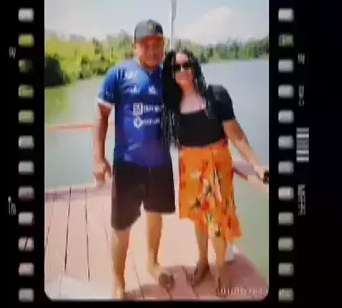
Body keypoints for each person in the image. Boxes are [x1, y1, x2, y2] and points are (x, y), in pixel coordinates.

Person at [160, 49, 269, 296]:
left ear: (195, 66)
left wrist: (255, 164)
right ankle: (202, 261)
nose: (182, 71)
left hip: (216, 164)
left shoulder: (215, 95)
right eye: (176, 68)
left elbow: (235, 134)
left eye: (186, 65)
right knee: (199, 218)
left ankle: (221, 267)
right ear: (170, 74)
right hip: (190, 166)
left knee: (217, 220)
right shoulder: (171, 105)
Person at [93, 19, 176, 300]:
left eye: (157, 44)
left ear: (164, 46)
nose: (152, 50)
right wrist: (98, 158)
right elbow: (101, 116)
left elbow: (190, 105)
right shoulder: (118, 75)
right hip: (128, 164)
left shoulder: (171, 77)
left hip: (161, 163)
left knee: (155, 215)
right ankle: (118, 280)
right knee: (122, 224)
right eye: (146, 44)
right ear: (135, 47)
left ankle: (153, 263)